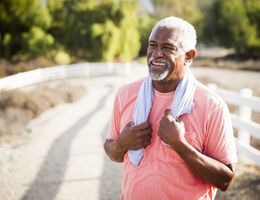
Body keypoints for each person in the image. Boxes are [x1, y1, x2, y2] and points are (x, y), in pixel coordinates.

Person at [104, 16, 237, 200]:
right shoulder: (125, 94)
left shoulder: (211, 105)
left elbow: (225, 180)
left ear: (189, 57)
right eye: (153, 45)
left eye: (167, 47)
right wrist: (122, 143)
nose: (156, 53)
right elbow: (113, 152)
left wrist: (179, 145)